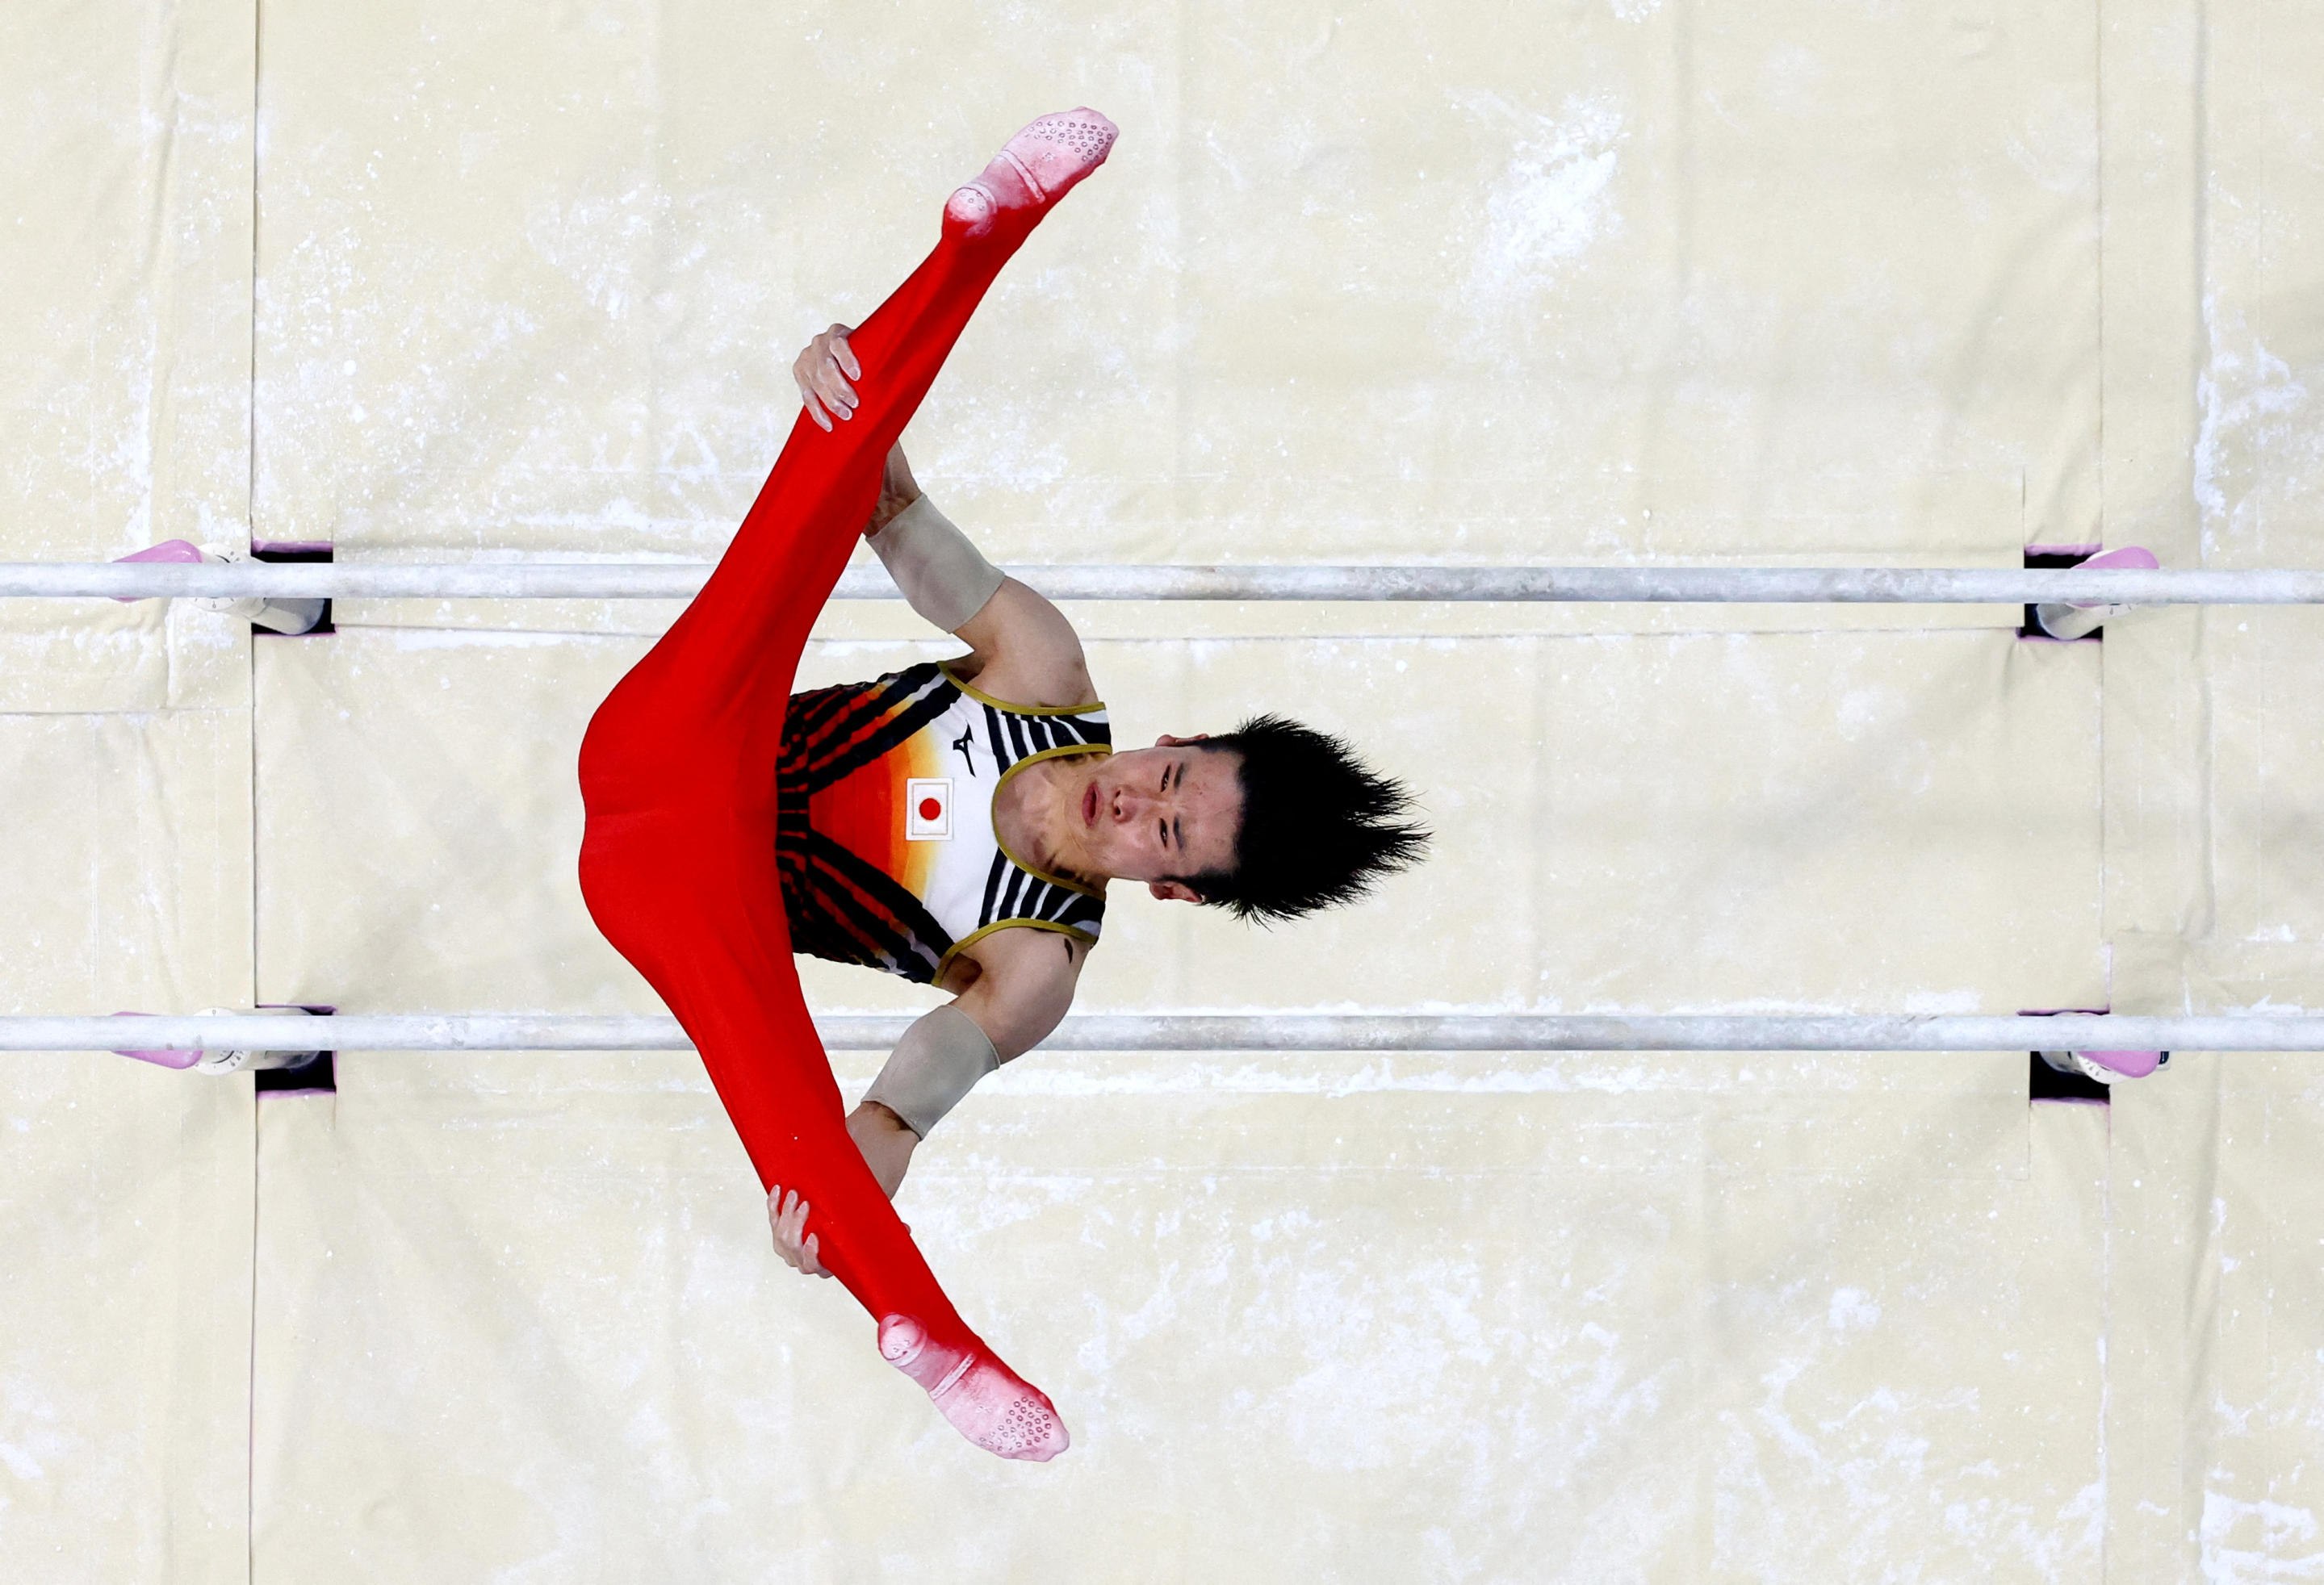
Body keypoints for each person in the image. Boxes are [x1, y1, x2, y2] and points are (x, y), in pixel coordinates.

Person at [576, 109, 1427, 1463]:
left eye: (1167, 835)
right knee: (833, 464)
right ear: (1180, 737)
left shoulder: (1036, 967)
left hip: (685, 905)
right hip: (681, 740)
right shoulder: (1040, 666)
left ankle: (926, 1337)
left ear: (1170, 886)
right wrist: (841, 406)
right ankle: (976, 237)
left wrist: (833, 1202)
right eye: (1172, 775)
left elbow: (901, 1105)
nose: (1137, 801)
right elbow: (896, 522)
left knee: (804, 1147)